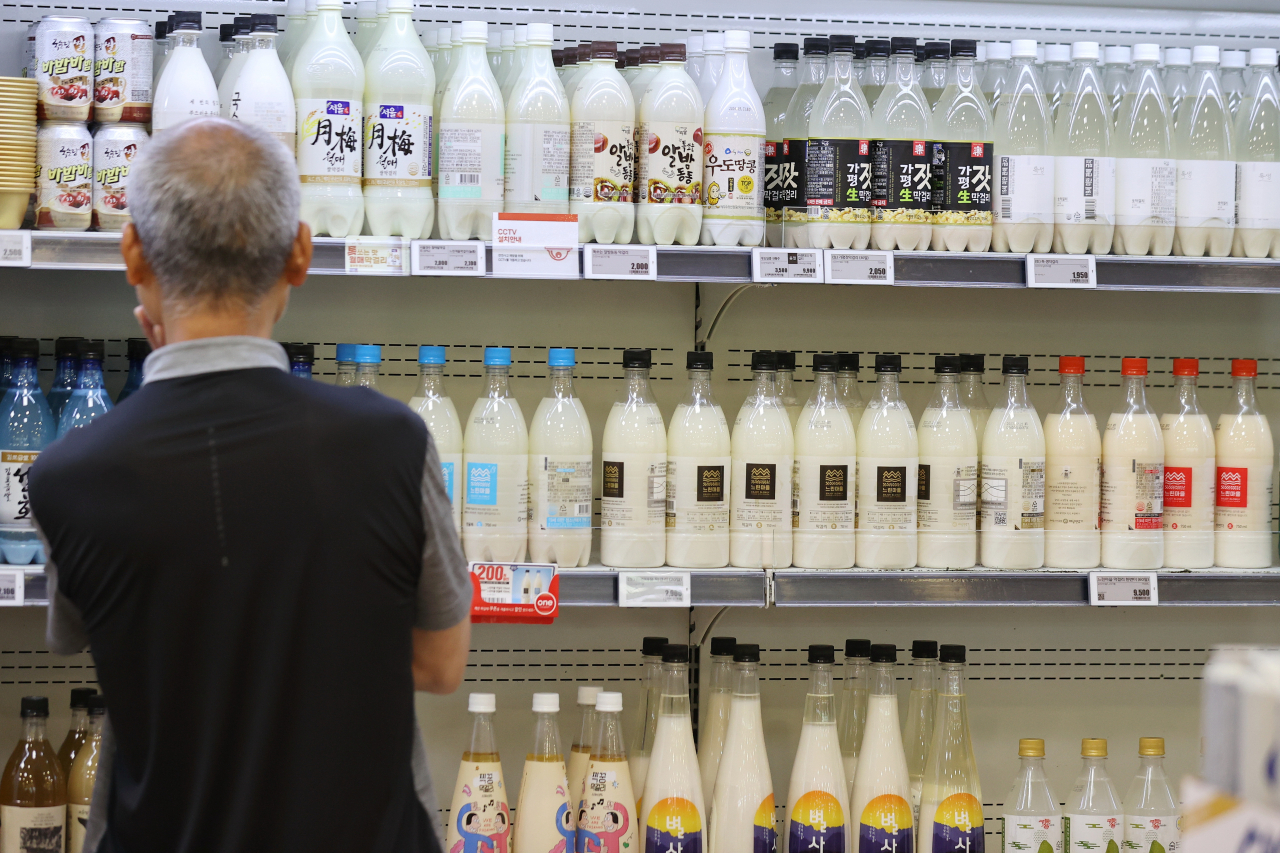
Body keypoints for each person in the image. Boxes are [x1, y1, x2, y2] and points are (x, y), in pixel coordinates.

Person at [30, 118, 471, 853]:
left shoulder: (70, 476)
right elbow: (439, 664)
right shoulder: (391, 443)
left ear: (131, 250)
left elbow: (114, 636)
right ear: (301, 251)